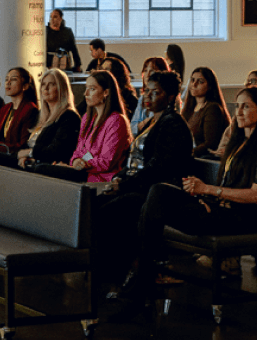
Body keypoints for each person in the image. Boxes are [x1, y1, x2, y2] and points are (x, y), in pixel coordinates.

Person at [110, 87, 257, 323]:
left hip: (242, 219)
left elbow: (254, 196)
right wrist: (205, 197)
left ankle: (140, 284)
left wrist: (208, 190)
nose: (238, 112)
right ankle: (142, 281)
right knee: (156, 193)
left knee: (156, 199)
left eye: (246, 106)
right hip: (219, 208)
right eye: (237, 106)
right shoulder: (237, 143)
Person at [93, 71, 193, 283]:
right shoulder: (151, 122)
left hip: (156, 194)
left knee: (107, 211)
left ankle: (119, 275)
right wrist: (119, 178)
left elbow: (158, 167)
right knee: (91, 204)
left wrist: (125, 184)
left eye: (155, 92)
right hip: (138, 186)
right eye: (146, 90)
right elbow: (133, 159)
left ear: (171, 97)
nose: (147, 96)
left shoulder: (172, 124)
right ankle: (109, 273)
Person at [41, 70, 132, 183]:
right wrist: (75, 161)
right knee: (44, 169)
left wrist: (83, 164)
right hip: (84, 172)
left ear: (106, 92)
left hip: (101, 178)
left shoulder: (117, 121)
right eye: (86, 88)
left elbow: (107, 161)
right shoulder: (87, 118)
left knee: (43, 170)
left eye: (92, 89)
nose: (86, 93)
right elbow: (78, 151)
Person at [0, 68, 80, 169]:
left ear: (62, 88)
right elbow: (27, 144)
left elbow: (55, 151)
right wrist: (24, 156)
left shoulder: (69, 117)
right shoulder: (41, 115)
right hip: (29, 162)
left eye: (52, 84)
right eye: (43, 84)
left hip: (47, 167)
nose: (46, 88)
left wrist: (30, 154)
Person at [181, 67, 231, 157]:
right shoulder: (189, 108)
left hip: (202, 160)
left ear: (210, 86)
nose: (194, 84)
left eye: (200, 82)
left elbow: (210, 144)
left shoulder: (213, 108)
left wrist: (186, 153)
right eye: (192, 80)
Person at [131, 56, 171, 134]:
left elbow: (156, 125)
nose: (148, 75)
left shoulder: (166, 98)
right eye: (145, 71)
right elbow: (132, 128)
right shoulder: (142, 98)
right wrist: (147, 122)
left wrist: (141, 126)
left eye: (152, 71)